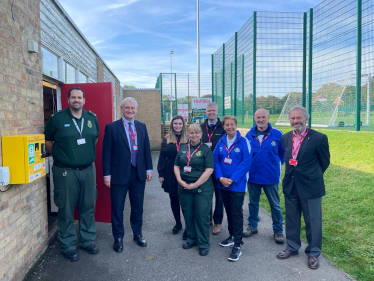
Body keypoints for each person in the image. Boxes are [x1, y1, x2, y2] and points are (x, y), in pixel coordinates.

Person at [44, 87, 99, 262]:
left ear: (84, 100)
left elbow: (94, 139)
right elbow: (47, 142)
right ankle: (67, 245)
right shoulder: (57, 119)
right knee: (66, 209)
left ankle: (87, 240)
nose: (77, 100)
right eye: (73, 97)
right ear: (68, 100)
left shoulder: (91, 118)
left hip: (88, 170)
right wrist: (64, 155)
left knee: (88, 207)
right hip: (66, 171)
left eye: (79, 97)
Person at [276, 106, 330, 270]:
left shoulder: (318, 138)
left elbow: (324, 162)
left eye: (298, 118)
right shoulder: (285, 137)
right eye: (292, 118)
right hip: (291, 185)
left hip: (310, 187)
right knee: (291, 219)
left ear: (306, 119)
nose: (295, 121)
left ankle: (313, 253)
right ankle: (292, 247)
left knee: (312, 222)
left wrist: (310, 175)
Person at [102, 97, 153, 253]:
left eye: (132, 108)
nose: (130, 110)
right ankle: (118, 237)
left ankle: (137, 234)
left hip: (138, 173)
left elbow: (146, 149)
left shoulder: (142, 126)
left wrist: (149, 169)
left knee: (137, 207)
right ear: (122, 109)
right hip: (118, 174)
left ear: (136, 110)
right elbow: (106, 153)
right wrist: (107, 174)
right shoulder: (111, 128)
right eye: (127, 108)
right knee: (117, 208)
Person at [243, 109, 285, 244]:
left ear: (268, 117)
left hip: (270, 177)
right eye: (258, 117)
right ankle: (252, 226)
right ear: (254, 118)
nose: (261, 120)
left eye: (263, 117)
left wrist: (275, 166)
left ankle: (278, 231)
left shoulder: (277, 134)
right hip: (253, 177)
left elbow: (283, 154)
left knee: (275, 205)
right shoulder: (249, 135)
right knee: (253, 203)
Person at [213, 116, 252, 262]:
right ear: (223, 127)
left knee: (236, 212)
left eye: (232, 124)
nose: (229, 127)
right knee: (228, 211)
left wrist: (233, 179)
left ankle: (237, 244)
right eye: (226, 125)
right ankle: (231, 235)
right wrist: (220, 177)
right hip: (223, 183)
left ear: (236, 125)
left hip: (237, 184)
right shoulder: (221, 141)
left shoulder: (244, 141)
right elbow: (215, 160)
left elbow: (247, 162)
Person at [174, 124, 214, 256]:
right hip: (185, 187)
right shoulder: (183, 148)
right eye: (191, 133)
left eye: (196, 133)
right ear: (188, 134)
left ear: (201, 134)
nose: (194, 135)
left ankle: (203, 243)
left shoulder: (206, 150)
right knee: (188, 214)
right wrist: (180, 181)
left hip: (202, 188)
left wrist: (195, 184)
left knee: (201, 216)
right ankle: (191, 239)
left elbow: (209, 170)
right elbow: (176, 166)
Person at [157, 115, 188, 236]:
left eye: (180, 124)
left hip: (185, 171)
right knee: (174, 198)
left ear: (183, 125)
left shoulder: (188, 138)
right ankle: (178, 223)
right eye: (175, 124)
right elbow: (162, 157)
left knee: (185, 199)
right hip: (170, 171)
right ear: (172, 125)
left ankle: (188, 226)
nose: (178, 126)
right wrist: (161, 173)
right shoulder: (166, 139)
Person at [200, 102, 225, 235]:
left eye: (213, 111)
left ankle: (218, 222)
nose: (211, 113)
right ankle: (208, 218)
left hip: (219, 167)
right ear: (206, 111)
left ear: (217, 111)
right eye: (209, 111)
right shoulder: (201, 127)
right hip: (204, 167)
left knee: (219, 195)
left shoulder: (223, 127)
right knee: (205, 194)